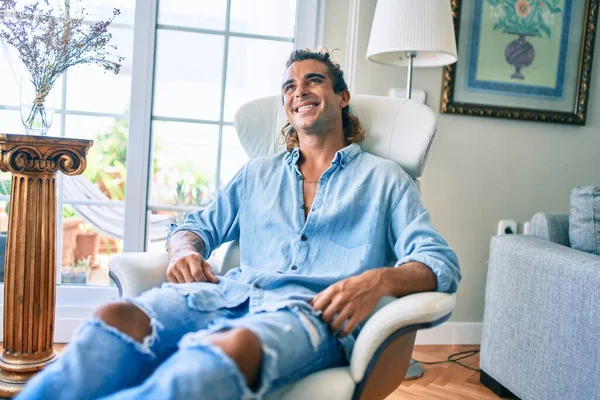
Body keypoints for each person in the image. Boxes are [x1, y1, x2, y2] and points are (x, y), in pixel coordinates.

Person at [17, 49, 461, 400]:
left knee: (222, 352)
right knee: (114, 317)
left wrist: (377, 280)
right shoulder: (257, 174)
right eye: (289, 86)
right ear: (287, 107)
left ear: (342, 97)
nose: (298, 90)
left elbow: (438, 262)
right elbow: (194, 226)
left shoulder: (386, 179)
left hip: (308, 316)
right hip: (227, 295)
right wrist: (185, 250)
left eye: (313, 80)